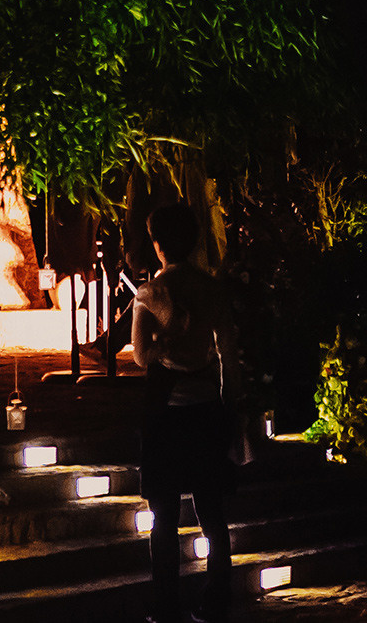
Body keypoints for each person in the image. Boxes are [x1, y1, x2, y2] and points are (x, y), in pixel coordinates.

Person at [132, 202, 248, 623]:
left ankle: (166, 603)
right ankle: (218, 596)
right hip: (206, 410)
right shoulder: (211, 288)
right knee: (212, 511)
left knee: (164, 514)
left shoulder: (151, 293)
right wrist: (231, 404)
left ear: (158, 245)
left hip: (166, 412)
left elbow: (142, 356)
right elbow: (229, 356)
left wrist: (169, 338)